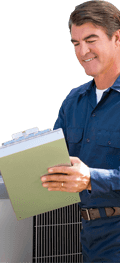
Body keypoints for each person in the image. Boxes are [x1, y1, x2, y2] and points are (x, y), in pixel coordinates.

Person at [40, 1, 120, 262]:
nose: (82, 51)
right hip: (82, 241)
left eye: (91, 39)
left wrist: (90, 179)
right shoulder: (73, 102)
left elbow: (85, 178)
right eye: (75, 43)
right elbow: (55, 165)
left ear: (116, 37)